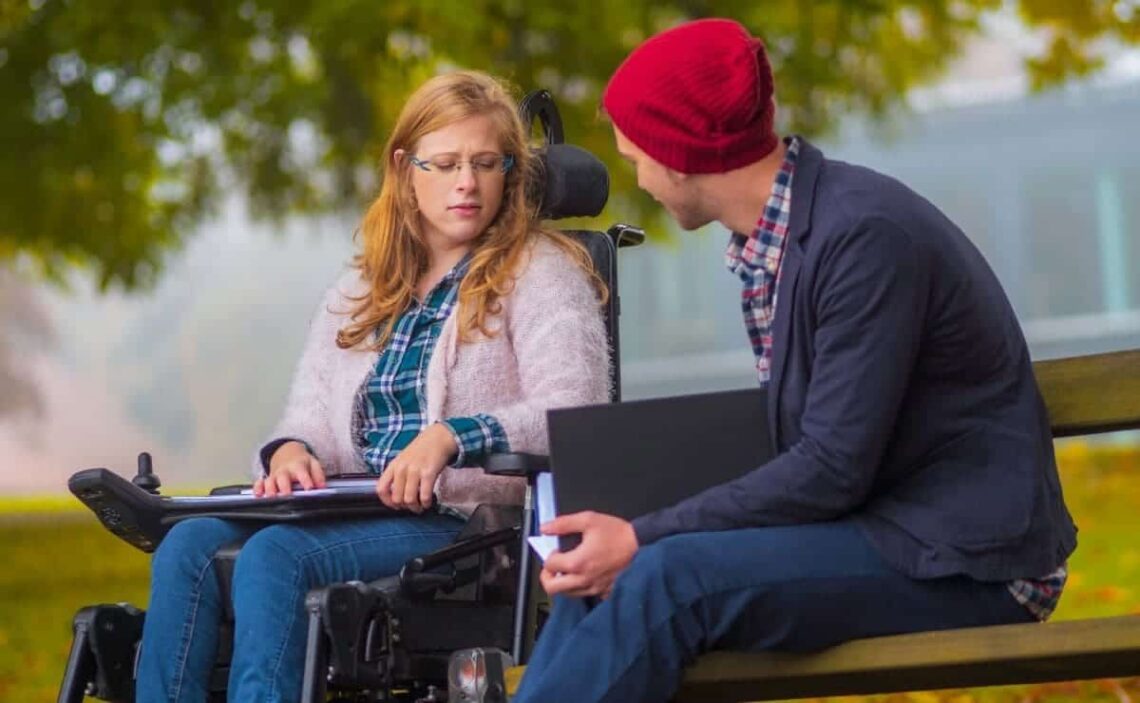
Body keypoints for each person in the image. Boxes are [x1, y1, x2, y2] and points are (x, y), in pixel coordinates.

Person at [513, 18, 1076, 703]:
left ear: (678, 156)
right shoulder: (787, 236)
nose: (640, 178)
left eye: (637, 158)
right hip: (885, 528)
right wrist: (630, 530)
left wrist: (642, 533)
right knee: (594, 577)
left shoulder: (864, 238)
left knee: (665, 575)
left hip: (967, 558)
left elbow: (832, 468)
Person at [133, 70, 611, 703]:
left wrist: (452, 437)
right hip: (350, 507)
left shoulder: (541, 274)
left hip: (463, 525)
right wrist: (289, 451)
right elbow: (307, 414)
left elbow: (574, 410)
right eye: (445, 164)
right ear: (406, 169)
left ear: (509, 173)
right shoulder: (361, 289)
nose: (466, 182)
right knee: (186, 545)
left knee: (275, 557)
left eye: (485, 163)